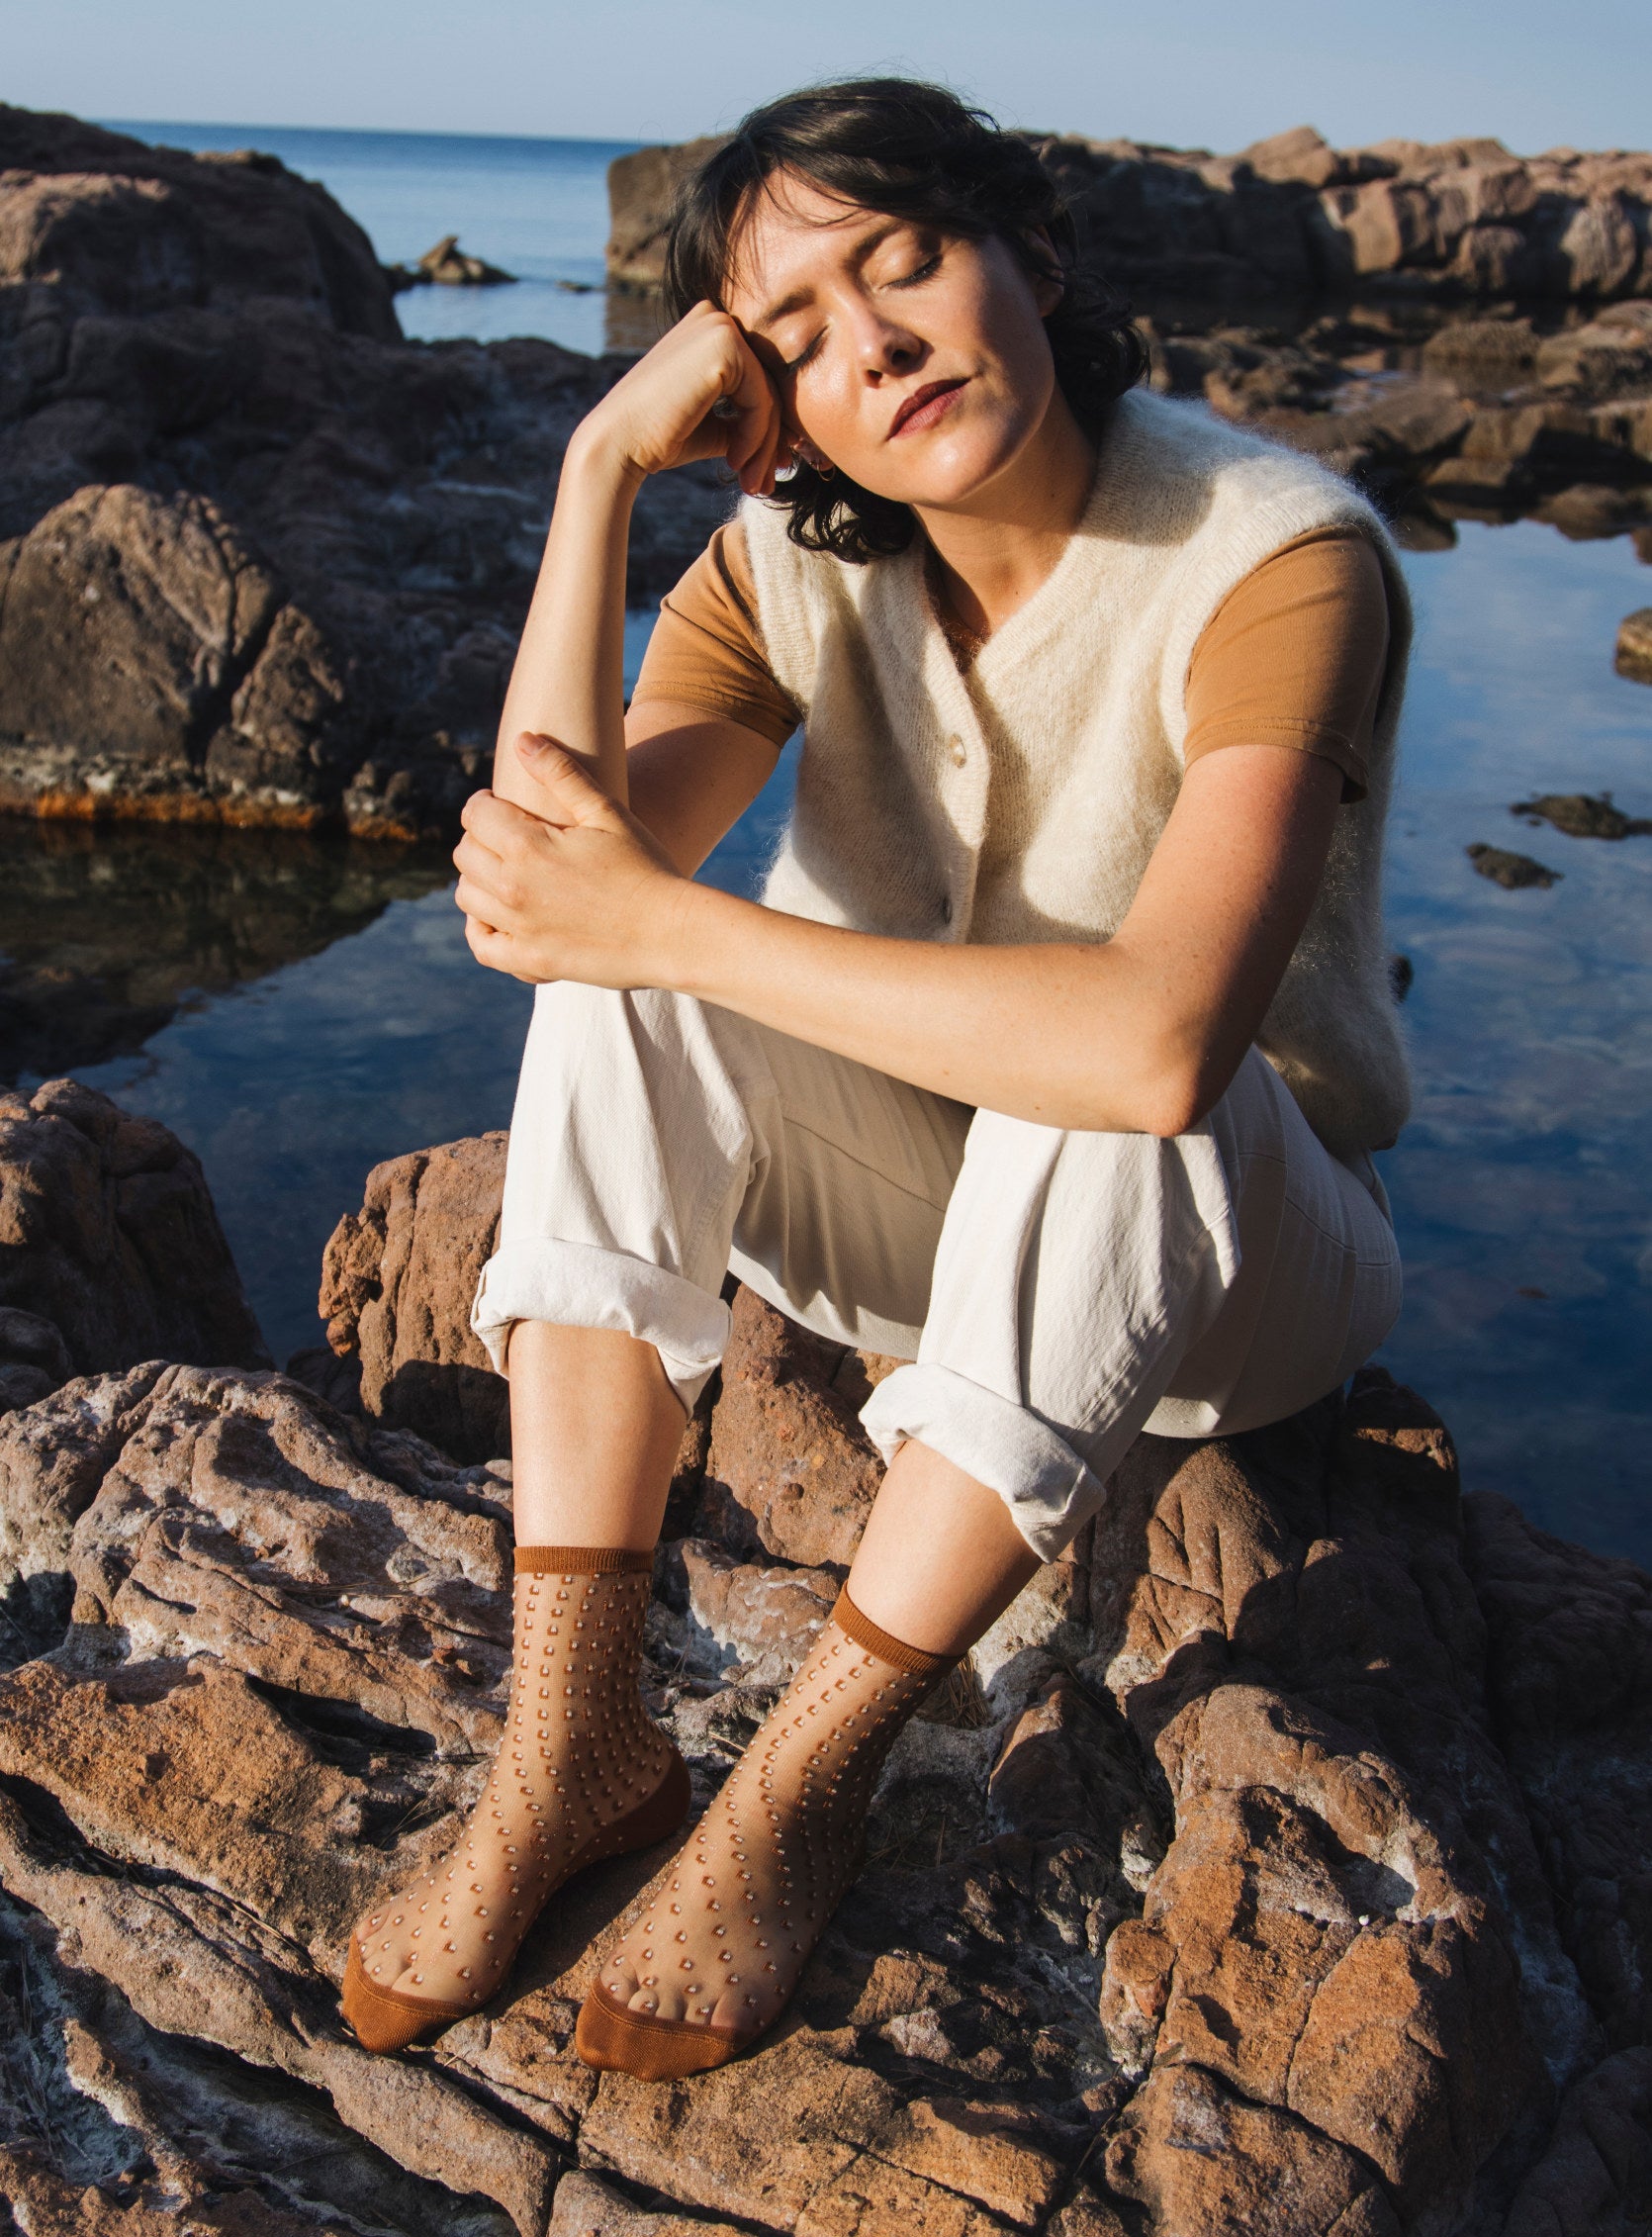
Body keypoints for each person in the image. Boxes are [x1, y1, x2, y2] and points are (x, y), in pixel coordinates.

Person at [340, 77, 1408, 2082]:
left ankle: (805, 1774)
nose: (876, 346)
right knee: (605, 976)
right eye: (798, 332)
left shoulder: (1277, 553)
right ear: (756, 399)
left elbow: (1166, 1038)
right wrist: (593, 474)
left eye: (901, 260)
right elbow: (547, 884)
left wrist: (656, 921)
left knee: (1117, 1077)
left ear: (1033, 253)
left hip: (1242, 1261)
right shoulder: (785, 563)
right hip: (914, 1224)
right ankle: (571, 1735)